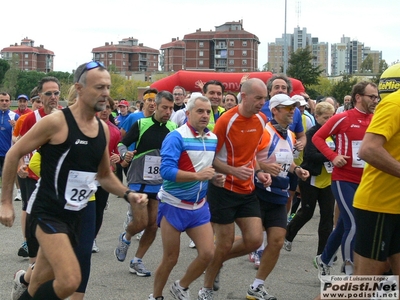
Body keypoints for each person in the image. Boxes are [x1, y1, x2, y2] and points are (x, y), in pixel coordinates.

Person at [0, 61, 147, 300]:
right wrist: (6, 202)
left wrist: (128, 194)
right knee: (69, 280)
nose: (106, 93)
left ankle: (22, 283)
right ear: (79, 88)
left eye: (108, 87)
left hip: (77, 214)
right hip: (48, 211)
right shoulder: (57, 122)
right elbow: (13, 154)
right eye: (99, 87)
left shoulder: (103, 129)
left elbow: (104, 175)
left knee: (39, 280)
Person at [198, 78, 272, 300]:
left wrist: (259, 172)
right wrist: (232, 170)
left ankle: (214, 261)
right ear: (244, 96)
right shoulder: (226, 121)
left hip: (247, 189)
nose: (262, 103)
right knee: (224, 244)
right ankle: (206, 288)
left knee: (255, 240)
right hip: (224, 190)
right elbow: (210, 157)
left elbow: (251, 156)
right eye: (258, 98)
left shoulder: (262, 119)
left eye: (264, 99)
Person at [149, 94, 224, 300]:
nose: (205, 115)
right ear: (188, 112)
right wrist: (198, 176)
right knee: (171, 258)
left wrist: (214, 178)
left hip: (198, 206)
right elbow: (166, 171)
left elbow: (205, 167)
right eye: (200, 111)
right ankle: (155, 296)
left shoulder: (212, 138)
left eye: (208, 112)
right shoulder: (176, 137)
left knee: (208, 253)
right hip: (173, 204)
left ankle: (181, 286)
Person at [312, 81, 378, 279]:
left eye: (377, 97)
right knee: (354, 224)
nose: (375, 100)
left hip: (366, 181)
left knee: (343, 224)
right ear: (358, 97)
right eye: (371, 97)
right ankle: (350, 270)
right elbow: (317, 138)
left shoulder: (376, 119)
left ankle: (323, 260)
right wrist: (333, 156)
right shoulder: (343, 118)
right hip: (344, 179)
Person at [246, 94, 309, 300]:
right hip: (259, 193)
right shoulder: (264, 132)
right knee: (251, 241)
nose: (292, 111)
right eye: (287, 108)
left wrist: (297, 169)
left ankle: (257, 286)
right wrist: (263, 167)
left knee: (277, 241)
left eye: (294, 108)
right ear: (274, 110)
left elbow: (286, 162)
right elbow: (249, 157)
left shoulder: (290, 135)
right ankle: (215, 257)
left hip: (280, 195)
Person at [114, 91, 177, 277]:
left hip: (159, 183)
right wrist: (125, 153)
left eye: (171, 108)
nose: (168, 111)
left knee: (152, 225)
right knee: (141, 222)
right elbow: (121, 144)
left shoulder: (174, 127)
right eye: (164, 107)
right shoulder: (141, 124)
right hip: (139, 180)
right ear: (155, 106)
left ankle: (137, 261)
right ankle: (125, 237)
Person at [352, 63, 400, 276]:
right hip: (380, 206)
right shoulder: (395, 104)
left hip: (395, 206)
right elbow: (369, 149)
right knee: (362, 286)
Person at [284, 102, 336, 255]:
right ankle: (289, 234)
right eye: (325, 117)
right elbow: (311, 155)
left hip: (328, 180)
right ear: (317, 116)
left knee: (327, 216)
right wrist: (332, 156)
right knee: (307, 212)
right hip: (310, 178)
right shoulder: (312, 133)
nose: (328, 120)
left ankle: (323, 254)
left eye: (331, 117)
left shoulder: (334, 133)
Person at [13, 87, 43, 259]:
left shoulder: (58, 117)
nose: (39, 103)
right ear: (32, 102)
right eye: (37, 100)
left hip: (49, 171)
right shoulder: (25, 119)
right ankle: (27, 240)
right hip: (30, 170)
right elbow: (16, 143)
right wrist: (20, 165)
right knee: (28, 206)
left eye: (41, 100)